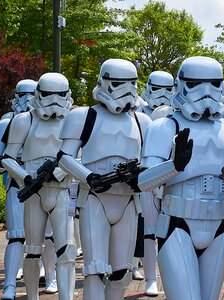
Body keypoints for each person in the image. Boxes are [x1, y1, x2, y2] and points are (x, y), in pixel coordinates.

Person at [133, 56, 224, 300]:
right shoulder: (165, 126)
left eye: (213, 83)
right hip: (177, 223)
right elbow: (143, 182)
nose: (206, 92)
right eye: (196, 83)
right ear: (182, 84)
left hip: (219, 225)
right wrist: (174, 166)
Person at [57, 58, 152, 299]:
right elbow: (64, 158)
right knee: (95, 270)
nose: (126, 90)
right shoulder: (83, 117)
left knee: (122, 273)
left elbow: (151, 161)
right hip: (94, 199)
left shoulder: (143, 121)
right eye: (119, 83)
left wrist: (140, 177)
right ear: (103, 82)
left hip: (129, 201)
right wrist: (89, 176)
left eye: (131, 83)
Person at [1, 73, 76, 300]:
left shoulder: (74, 119)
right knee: (32, 250)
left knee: (67, 251)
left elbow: (81, 157)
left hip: (61, 190)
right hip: (34, 192)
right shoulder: (24, 120)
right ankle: (31, 296)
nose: (54, 100)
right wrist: (25, 178)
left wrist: (62, 171)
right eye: (48, 94)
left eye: (59, 95)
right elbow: (8, 158)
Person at [0, 79, 58, 299]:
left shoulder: (53, 120)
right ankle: (9, 285)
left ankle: (51, 277)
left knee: (48, 237)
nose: (27, 100)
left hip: (48, 183)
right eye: (23, 94)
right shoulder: (8, 123)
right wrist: (16, 168)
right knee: (17, 236)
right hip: (19, 184)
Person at [134, 70, 175, 296]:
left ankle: (170, 276)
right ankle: (151, 278)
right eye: (157, 88)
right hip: (147, 174)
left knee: (171, 229)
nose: (162, 94)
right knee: (148, 229)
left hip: (173, 175)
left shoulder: (178, 111)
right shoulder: (138, 112)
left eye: (167, 89)